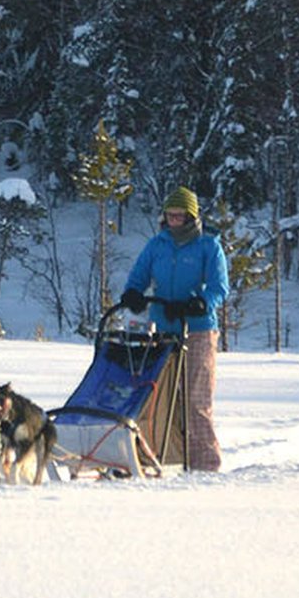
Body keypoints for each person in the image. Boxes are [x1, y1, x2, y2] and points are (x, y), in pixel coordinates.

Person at [119, 186, 229, 472]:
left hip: (197, 330)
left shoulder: (208, 246)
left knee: (195, 401)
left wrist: (201, 302)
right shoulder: (158, 245)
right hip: (161, 330)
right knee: (154, 398)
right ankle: (152, 458)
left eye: (180, 216)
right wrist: (133, 293)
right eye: (170, 216)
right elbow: (139, 276)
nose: (174, 221)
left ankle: (205, 466)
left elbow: (219, 287)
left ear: (191, 217)